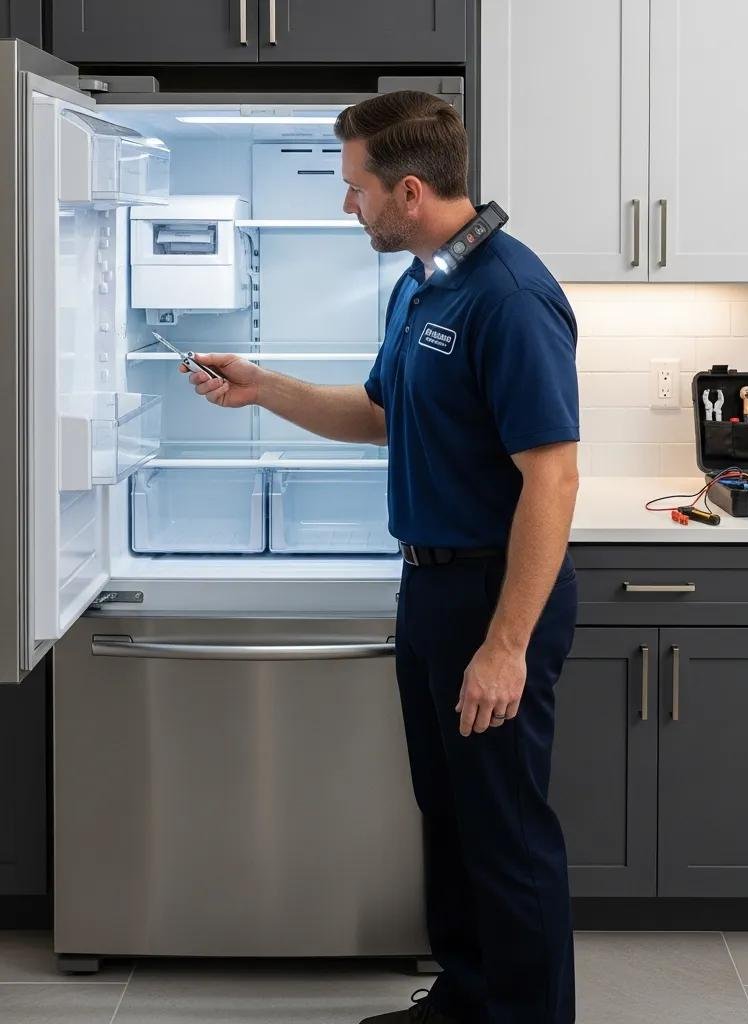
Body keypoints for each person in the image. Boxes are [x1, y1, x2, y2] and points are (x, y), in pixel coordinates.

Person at [183, 91, 581, 1024]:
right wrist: (264, 389)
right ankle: (467, 999)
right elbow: (381, 415)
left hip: (495, 593)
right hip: (432, 587)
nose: (344, 204)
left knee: (507, 833)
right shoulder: (423, 282)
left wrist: (507, 643)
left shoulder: (510, 298)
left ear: (408, 190)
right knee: (449, 818)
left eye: (354, 186)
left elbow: (552, 481)